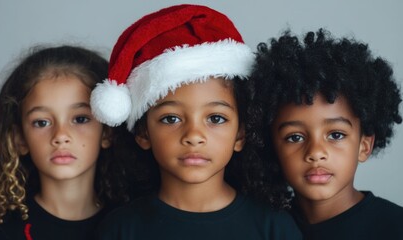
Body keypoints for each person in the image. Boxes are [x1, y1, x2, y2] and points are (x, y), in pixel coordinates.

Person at [92, 4, 302, 239]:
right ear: (143, 132)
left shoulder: (273, 227)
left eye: (215, 118)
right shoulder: (120, 229)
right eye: (171, 118)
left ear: (241, 134)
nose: (193, 135)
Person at [248, 28, 403, 239]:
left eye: (336, 135)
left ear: (364, 146)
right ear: (272, 146)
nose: (316, 152)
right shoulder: (262, 227)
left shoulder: (394, 226)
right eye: (295, 137)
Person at [0, 45, 131, 240]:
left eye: (80, 119)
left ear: (107, 131)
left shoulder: (131, 225)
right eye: (42, 122)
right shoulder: (4, 233)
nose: (61, 135)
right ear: (19, 138)